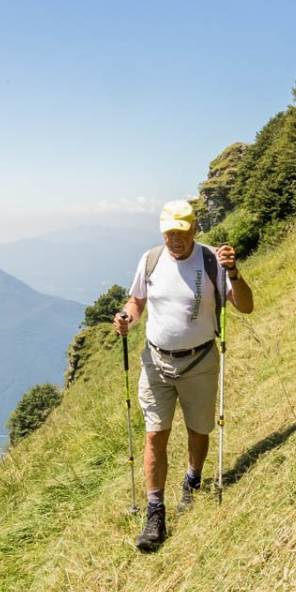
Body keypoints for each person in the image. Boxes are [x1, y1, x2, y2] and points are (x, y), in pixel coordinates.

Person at [114, 199, 254, 552]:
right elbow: (137, 300)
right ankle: (155, 511)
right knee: (154, 436)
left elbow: (246, 305)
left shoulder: (211, 261)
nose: (174, 239)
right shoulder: (151, 260)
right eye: (168, 232)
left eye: (181, 231)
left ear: (194, 229)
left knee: (199, 430)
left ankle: (192, 481)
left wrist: (234, 273)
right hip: (156, 362)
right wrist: (127, 316)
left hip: (200, 361)